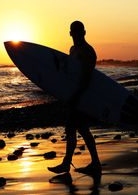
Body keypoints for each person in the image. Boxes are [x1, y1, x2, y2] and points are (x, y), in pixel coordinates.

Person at [48, 21, 102, 175]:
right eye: (74, 32)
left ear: (84, 32)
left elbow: (86, 78)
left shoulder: (88, 51)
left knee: (75, 128)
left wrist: (77, 96)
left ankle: (69, 164)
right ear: (70, 33)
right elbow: (70, 74)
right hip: (73, 95)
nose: (76, 34)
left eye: (79, 31)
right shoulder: (72, 49)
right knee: (80, 129)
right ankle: (93, 163)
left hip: (82, 95)